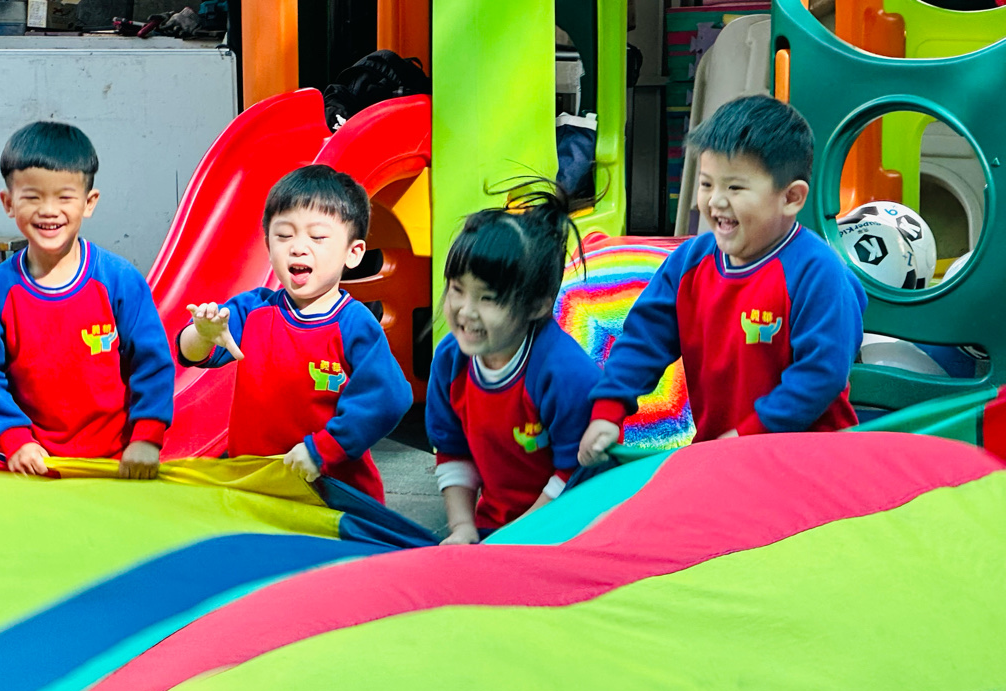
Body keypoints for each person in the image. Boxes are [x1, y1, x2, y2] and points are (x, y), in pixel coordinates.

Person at [579, 95, 866, 466]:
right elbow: (643, 341)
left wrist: (749, 435)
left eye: (735, 188)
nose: (715, 201)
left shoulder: (817, 272)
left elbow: (821, 374)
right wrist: (608, 409)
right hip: (721, 458)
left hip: (811, 462)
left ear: (791, 198)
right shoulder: (689, 263)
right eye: (706, 184)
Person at [177, 164, 412, 502]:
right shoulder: (254, 309)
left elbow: (388, 397)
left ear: (353, 253)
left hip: (333, 494)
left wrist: (323, 449)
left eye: (317, 237)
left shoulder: (353, 325)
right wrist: (202, 333)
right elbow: (192, 353)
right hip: (257, 487)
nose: (298, 248)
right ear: (268, 245)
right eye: (284, 235)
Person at [0, 121, 173, 478]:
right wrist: (14, 440)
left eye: (64, 197)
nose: (48, 210)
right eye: (32, 197)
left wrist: (147, 437)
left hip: (112, 458)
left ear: (89, 202)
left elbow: (151, 363)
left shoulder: (119, 281)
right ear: (8, 203)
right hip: (26, 460)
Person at [426, 184, 601, 545]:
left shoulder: (564, 374)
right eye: (457, 289)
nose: (466, 311)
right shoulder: (450, 361)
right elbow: (452, 450)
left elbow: (574, 476)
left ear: (537, 305)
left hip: (571, 531)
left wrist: (508, 542)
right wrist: (462, 528)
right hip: (495, 530)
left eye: (488, 298)